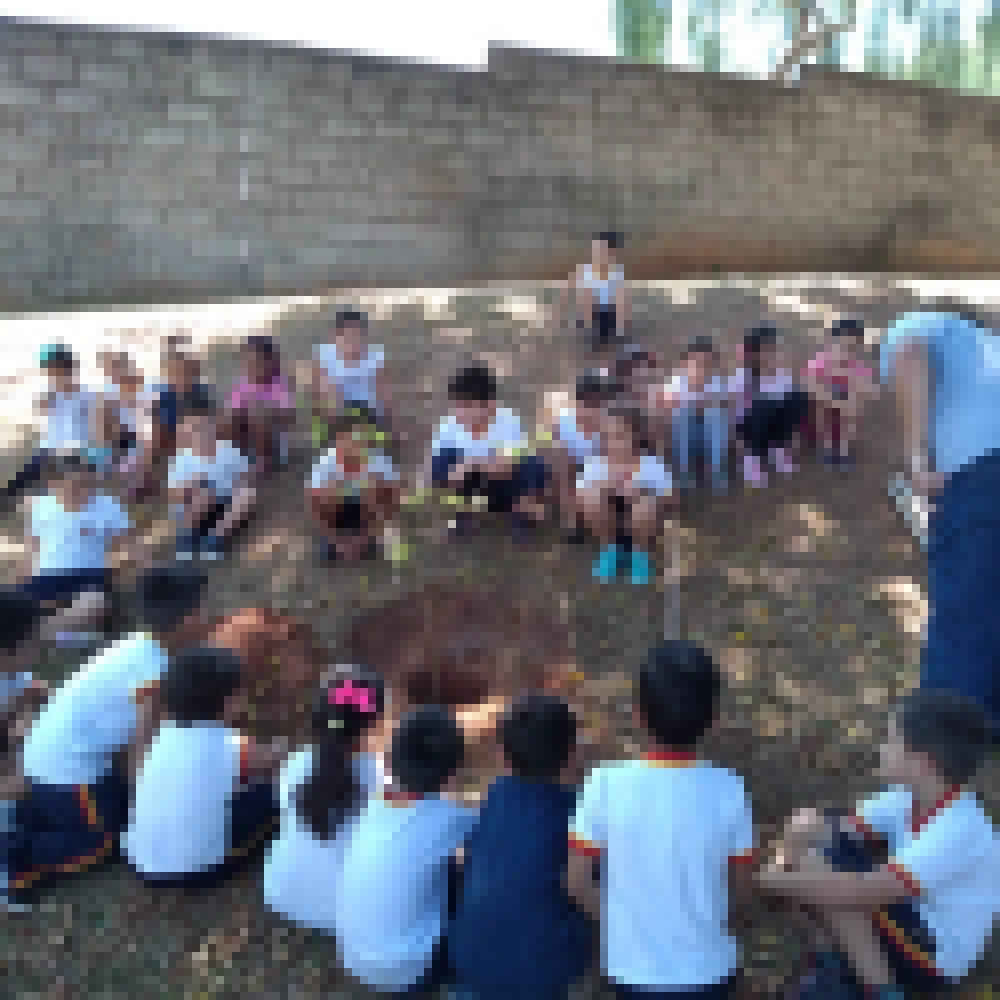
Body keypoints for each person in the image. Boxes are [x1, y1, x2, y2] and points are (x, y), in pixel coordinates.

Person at [758, 690, 998, 999]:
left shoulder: (959, 828)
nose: (881, 747)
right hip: (901, 922)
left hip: (935, 958)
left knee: (832, 880)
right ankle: (834, 962)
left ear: (922, 761)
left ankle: (882, 991)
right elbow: (830, 832)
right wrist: (795, 844)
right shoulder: (905, 798)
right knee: (812, 839)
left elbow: (858, 891)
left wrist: (774, 879)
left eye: (890, 739)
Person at [2, 565, 208, 909]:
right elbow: (140, 750)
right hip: (65, 773)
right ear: (188, 621)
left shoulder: (142, 645)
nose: (211, 617)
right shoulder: (153, 674)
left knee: (113, 807)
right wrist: (155, 804)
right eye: (204, 609)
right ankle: (14, 859)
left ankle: (32, 814)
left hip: (53, 762)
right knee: (101, 843)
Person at [566, 641, 757, 1000]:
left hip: (632, 973)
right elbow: (742, 890)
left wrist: (624, 925)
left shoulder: (603, 784)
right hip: (709, 972)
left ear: (638, 715)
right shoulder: (730, 789)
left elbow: (577, 883)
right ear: (714, 720)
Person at [880, 308, 1000, 736]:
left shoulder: (917, 324)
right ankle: (985, 716)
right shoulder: (985, 350)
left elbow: (910, 353)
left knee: (961, 606)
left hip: (982, 475)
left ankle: (945, 734)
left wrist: (916, 461)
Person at [448, 693, 592, 1000]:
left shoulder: (495, 795)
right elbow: (584, 885)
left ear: (502, 755)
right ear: (572, 754)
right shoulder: (577, 811)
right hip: (537, 974)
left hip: (467, 963)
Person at [334, 704, 477, 996]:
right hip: (409, 972)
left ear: (391, 760)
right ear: (453, 772)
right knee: (477, 883)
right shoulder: (450, 817)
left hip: (352, 956)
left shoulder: (375, 801)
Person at [123, 645, 282, 888]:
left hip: (140, 861)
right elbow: (273, 759)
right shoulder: (225, 745)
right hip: (196, 870)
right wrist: (283, 744)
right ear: (229, 703)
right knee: (273, 792)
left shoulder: (163, 734)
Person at [262, 664, 386, 930]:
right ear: (374, 721)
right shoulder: (382, 777)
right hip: (347, 911)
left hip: (282, 896)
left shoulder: (295, 764)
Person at [18, 452, 139, 647]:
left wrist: (118, 570)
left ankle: (43, 633)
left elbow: (130, 547)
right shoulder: (40, 505)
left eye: (85, 485)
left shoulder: (109, 506)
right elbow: (31, 547)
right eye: (73, 486)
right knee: (22, 607)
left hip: (90, 574)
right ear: (55, 484)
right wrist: (25, 577)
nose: (81, 491)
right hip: (46, 575)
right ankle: (58, 632)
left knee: (95, 603)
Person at [427, 364, 549, 543]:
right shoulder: (447, 427)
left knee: (534, 465)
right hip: (471, 485)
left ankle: (520, 511)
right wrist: (459, 472)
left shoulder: (509, 422)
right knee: (442, 464)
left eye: (467, 406)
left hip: (504, 485)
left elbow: (507, 469)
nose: (459, 413)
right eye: (457, 405)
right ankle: (466, 512)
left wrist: (472, 464)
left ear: (490, 404)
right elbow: (439, 474)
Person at [576, 404, 674, 585]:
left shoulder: (649, 464)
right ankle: (610, 551)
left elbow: (669, 497)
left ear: (635, 436)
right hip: (609, 521)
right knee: (591, 500)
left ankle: (639, 556)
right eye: (610, 436)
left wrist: (642, 492)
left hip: (642, 522)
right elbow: (580, 497)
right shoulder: (596, 464)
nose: (615, 443)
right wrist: (601, 489)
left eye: (621, 436)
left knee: (644, 506)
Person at [5, 343, 101, 501]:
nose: (51, 376)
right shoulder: (50, 394)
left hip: (76, 456)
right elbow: (38, 409)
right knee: (15, 489)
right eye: (49, 372)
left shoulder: (88, 396)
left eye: (54, 370)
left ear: (67, 369)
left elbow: (95, 432)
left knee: (53, 492)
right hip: (48, 453)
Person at [308, 412, 402, 563]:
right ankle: (335, 541)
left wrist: (371, 533)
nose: (353, 444)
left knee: (378, 489)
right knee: (325, 493)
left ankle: (367, 539)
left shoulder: (379, 461)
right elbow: (316, 504)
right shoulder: (325, 463)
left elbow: (392, 500)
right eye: (347, 438)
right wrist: (335, 539)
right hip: (338, 513)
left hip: (367, 513)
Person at [166, 408, 256, 562]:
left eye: (203, 428)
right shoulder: (182, 459)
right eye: (194, 431)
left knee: (246, 496)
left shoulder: (229, 451)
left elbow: (246, 479)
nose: (200, 434)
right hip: (196, 506)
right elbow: (174, 494)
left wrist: (240, 493)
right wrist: (191, 490)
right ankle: (188, 538)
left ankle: (214, 539)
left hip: (225, 503)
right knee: (199, 495)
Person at [540, 368, 619, 543]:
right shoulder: (563, 424)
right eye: (589, 403)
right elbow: (555, 462)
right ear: (578, 403)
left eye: (600, 403)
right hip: (573, 475)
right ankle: (572, 520)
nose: (594, 410)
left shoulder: (612, 425)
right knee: (561, 466)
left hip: (602, 476)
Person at [732, 323, 810, 488]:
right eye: (765, 351)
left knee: (798, 396)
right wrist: (739, 442)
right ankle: (751, 460)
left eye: (774, 350)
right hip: (749, 431)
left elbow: (788, 409)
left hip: (770, 429)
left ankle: (778, 449)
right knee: (761, 406)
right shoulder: (743, 377)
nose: (771, 355)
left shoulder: (782, 375)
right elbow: (734, 413)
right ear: (753, 354)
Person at [801, 317, 878, 470]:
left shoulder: (858, 366)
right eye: (843, 344)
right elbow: (809, 386)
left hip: (844, 416)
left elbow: (871, 392)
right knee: (820, 403)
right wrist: (835, 401)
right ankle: (826, 447)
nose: (846, 350)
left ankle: (843, 450)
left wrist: (849, 376)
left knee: (855, 403)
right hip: (818, 419)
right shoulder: (822, 360)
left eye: (852, 346)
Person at [657, 336, 731, 493]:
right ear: (684, 364)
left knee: (717, 418)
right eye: (696, 363)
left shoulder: (716, 383)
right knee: (683, 418)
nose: (701, 368)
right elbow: (666, 408)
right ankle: (684, 471)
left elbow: (723, 404)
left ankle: (715, 469)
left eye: (707, 363)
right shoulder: (676, 382)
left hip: (707, 434)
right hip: (684, 436)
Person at [310, 308, 392, 447]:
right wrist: (331, 409)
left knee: (375, 442)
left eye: (357, 335)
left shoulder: (375, 355)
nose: (352, 340)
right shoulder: (325, 354)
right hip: (337, 407)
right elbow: (321, 390)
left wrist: (385, 418)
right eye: (346, 335)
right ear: (336, 336)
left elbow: (383, 391)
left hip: (367, 409)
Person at [224, 335, 296, 479]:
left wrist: (259, 410)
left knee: (259, 413)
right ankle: (232, 459)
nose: (252, 367)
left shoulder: (278, 383)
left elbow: (287, 415)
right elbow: (232, 415)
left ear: (270, 362)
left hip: (273, 445)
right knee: (225, 421)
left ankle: (261, 462)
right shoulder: (242, 384)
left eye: (258, 362)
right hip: (247, 440)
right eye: (248, 362)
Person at [97, 351, 158, 500]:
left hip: (142, 444)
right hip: (120, 447)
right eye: (111, 372)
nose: (115, 376)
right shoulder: (109, 397)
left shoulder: (147, 392)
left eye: (117, 370)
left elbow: (149, 430)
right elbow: (105, 430)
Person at [557, 233, 632, 351]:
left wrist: (623, 322)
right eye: (600, 251)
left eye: (608, 253)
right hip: (591, 314)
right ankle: (592, 335)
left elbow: (621, 298)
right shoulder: (585, 271)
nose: (604, 256)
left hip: (608, 314)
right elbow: (570, 293)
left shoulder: (616, 273)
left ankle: (608, 336)